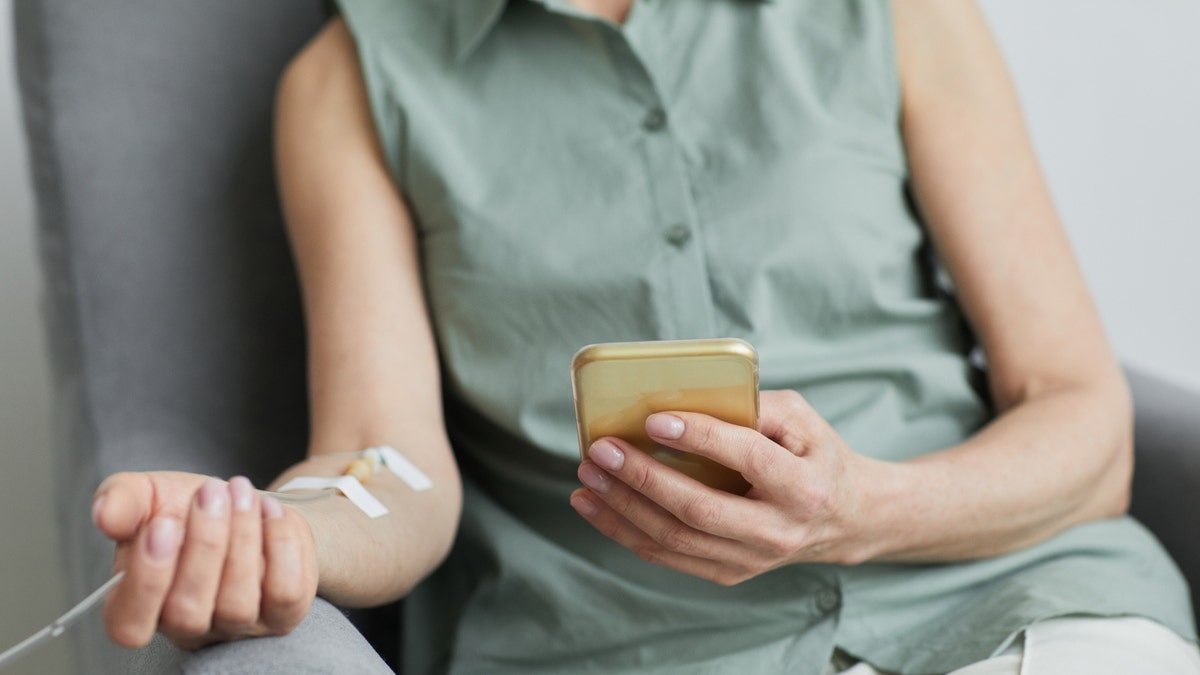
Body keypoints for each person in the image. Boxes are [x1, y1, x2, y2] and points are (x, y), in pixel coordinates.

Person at [90, 0, 1200, 672]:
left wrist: (860, 511)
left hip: (1025, 614)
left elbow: (1086, 426)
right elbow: (385, 463)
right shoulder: (351, 82)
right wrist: (277, 531)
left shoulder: (893, 10)